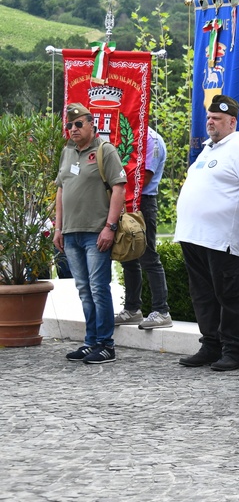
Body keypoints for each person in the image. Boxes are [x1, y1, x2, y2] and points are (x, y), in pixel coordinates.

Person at [174, 94, 239, 371]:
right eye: (209, 118)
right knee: (202, 294)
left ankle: (233, 350)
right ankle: (210, 345)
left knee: (228, 294)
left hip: (223, 237)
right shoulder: (208, 149)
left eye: (217, 119)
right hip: (194, 235)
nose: (210, 122)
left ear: (232, 121)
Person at [55, 102, 126, 364]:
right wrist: (58, 228)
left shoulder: (105, 150)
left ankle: (106, 344)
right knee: (84, 290)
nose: (73, 128)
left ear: (91, 125)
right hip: (71, 232)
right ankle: (91, 341)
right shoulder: (67, 153)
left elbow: (119, 188)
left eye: (78, 124)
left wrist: (110, 226)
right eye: (69, 125)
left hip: (95, 232)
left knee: (98, 288)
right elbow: (61, 190)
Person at [115, 125, 172, 330]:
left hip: (143, 201)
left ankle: (161, 310)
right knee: (127, 256)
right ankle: (132, 308)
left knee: (148, 256)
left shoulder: (152, 140)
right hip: (123, 198)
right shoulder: (124, 134)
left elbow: (144, 177)